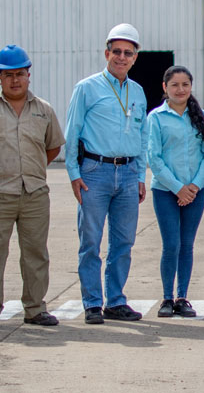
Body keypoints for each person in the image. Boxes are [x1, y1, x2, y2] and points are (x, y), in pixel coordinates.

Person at [0, 44, 65, 330]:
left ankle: (35, 308)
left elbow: (53, 147)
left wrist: (31, 171)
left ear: (29, 74)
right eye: (8, 75)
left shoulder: (43, 110)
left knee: (35, 254)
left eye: (20, 74)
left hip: (34, 195)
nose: (15, 80)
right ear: (0, 78)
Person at [63, 24, 148, 325]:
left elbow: (142, 136)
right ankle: (92, 303)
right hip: (94, 172)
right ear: (106, 52)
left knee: (123, 242)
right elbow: (71, 133)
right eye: (117, 52)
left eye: (128, 53)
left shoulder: (137, 92)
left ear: (135, 57)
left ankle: (115, 301)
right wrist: (74, 173)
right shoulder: (86, 88)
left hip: (127, 173)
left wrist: (140, 176)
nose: (121, 57)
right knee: (91, 241)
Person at [147, 66, 204, 318]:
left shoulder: (201, 116)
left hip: (196, 191)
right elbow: (153, 158)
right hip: (166, 191)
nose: (180, 89)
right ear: (165, 88)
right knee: (171, 244)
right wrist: (178, 188)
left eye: (185, 84)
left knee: (187, 244)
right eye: (175, 85)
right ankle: (167, 297)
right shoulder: (155, 118)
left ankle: (182, 297)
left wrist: (195, 185)